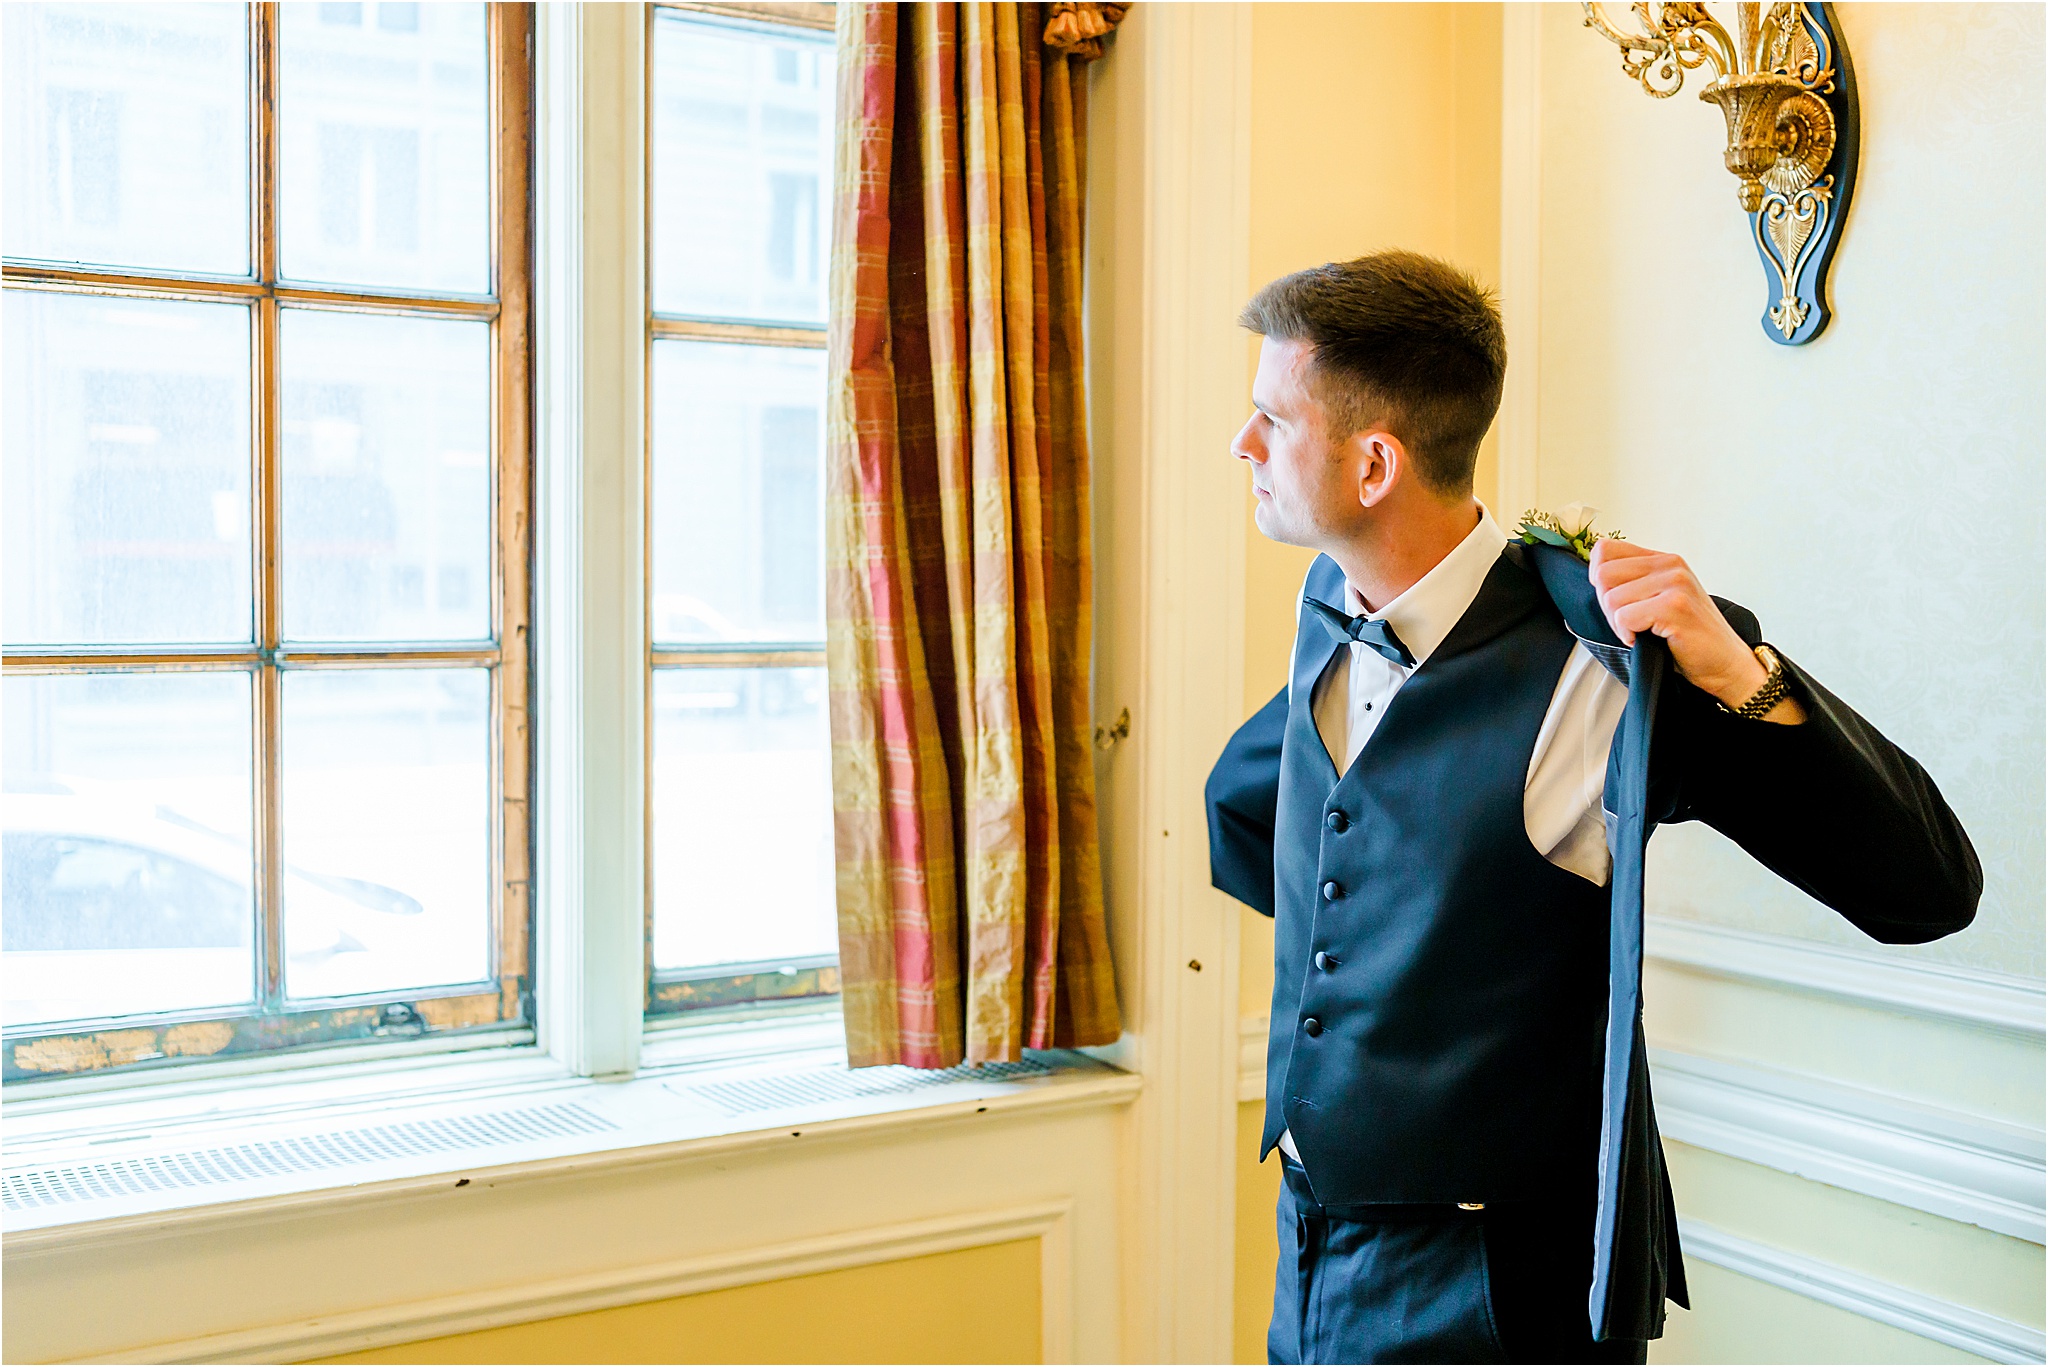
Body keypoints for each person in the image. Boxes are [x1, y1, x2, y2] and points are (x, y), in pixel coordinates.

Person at [1204, 251, 1981, 1365]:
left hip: (1501, 1280)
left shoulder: (1605, 659)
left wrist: (1739, 674)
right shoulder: (1331, 603)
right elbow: (1253, 822)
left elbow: (1925, 890)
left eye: (1267, 418)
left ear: (1372, 463)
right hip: (1312, 1242)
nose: (1242, 445)